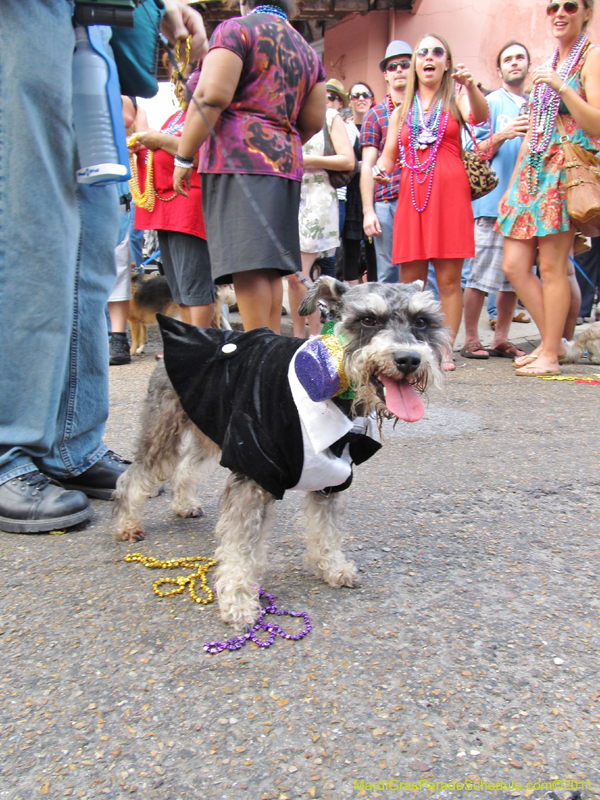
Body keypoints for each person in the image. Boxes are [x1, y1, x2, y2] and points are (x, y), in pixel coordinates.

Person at [0, 0, 208, 534]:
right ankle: (9, 449)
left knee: (92, 254)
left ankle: (72, 444)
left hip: (93, 30)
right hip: (28, 16)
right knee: (33, 244)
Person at [173, 0, 326, 334]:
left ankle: (256, 354)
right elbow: (314, 120)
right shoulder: (307, 50)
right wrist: (277, 142)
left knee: (248, 266)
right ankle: (267, 349)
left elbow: (212, 96)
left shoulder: (236, 29)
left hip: (238, 160)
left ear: (244, 1)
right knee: (268, 269)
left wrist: (184, 156)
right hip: (284, 166)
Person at [498, 0, 600, 376]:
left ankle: (551, 354)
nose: (559, 12)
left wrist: (561, 87)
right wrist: (512, 185)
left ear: (587, 13)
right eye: (552, 6)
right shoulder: (551, 62)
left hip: (562, 170)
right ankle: (551, 344)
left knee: (553, 267)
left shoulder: (591, 57)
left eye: (570, 6)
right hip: (532, 171)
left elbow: (596, 123)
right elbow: (534, 128)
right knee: (514, 264)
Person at [376, 34, 489, 370]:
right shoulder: (401, 112)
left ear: (446, 63)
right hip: (413, 199)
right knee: (410, 282)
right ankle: (410, 346)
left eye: (437, 52)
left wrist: (471, 86)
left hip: (451, 198)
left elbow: (481, 116)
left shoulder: (456, 101)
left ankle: (443, 349)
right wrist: (380, 171)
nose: (429, 57)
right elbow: (388, 156)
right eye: (422, 52)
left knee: (450, 280)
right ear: (415, 63)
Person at [460, 41, 531, 361]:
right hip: (491, 205)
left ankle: (502, 338)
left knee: (512, 279)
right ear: (499, 69)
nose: (515, 63)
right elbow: (471, 152)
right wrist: (505, 133)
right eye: (508, 59)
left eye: (520, 58)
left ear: (528, 65)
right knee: (479, 276)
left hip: (526, 206)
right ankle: (471, 339)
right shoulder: (489, 103)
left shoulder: (534, 105)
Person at [132, 75, 215, 330]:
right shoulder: (177, 116)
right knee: (180, 291)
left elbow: (206, 155)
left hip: (188, 207)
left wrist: (159, 141)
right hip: (166, 209)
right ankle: (192, 344)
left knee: (194, 289)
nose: (181, 83)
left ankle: (200, 346)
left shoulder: (205, 113)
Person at [291, 87, 355, 337]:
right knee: (292, 276)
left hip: (316, 197)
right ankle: (299, 337)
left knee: (298, 274)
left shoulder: (329, 116)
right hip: (287, 195)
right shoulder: (285, 113)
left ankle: (315, 336)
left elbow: (348, 160)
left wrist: (305, 160)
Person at [361, 41, 413, 283]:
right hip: (387, 202)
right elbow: (368, 165)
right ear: (385, 74)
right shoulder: (376, 114)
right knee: (389, 272)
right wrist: (368, 211)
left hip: (421, 199)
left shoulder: (427, 108)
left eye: (405, 64)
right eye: (392, 66)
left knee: (426, 271)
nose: (399, 69)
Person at [342, 82, 378, 285]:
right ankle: (352, 299)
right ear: (350, 101)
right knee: (350, 250)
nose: (361, 98)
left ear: (372, 99)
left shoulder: (378, 126)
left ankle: (375, 296)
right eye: (356, 95)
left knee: (374, 252)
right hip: (351, 195)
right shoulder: (345, 130)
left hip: (375, 194)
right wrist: (362, 166)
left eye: (365, 94)